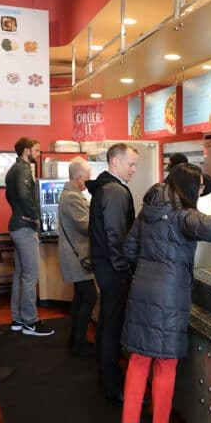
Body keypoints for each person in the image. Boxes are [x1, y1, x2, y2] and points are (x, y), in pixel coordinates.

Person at [120, 163, 211, 423]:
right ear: (190, 187)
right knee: (165, 363)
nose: (202, 191)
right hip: (169, 293)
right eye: (201, 187)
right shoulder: (184, 214)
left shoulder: (149, 208)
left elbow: (129, 249)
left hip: (141, 287)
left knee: (139, 358)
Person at [87, 143, 139, 403]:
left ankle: (107, 378)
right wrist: (123, 270)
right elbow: (116, 236)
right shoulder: (115, 191)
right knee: (111, 326)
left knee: (107, 323)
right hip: (113, 270)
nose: (134, 169)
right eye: (131, 164)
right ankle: (112, 383)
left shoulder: (104, 188)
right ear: (115, 162)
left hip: (104, 267)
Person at [5, 137, 54, 336]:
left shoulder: (12, 169)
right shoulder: (24, 169)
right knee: (30, 276)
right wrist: (35, 217)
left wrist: (19, 211)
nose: (39, 153)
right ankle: (30, 322)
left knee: (20, 275)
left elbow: (10, 196)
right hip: (24, 227)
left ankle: (17, 319)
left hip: (16, 224)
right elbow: (24, 195)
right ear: (26, 150)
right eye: (36, 149)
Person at [57, 157, 96, 356]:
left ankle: (76, 338)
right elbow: (85, 225)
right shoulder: (72, 197)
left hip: (74, 255)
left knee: (81, 297)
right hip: (76, 256)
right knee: (89, 296)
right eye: (87, 178)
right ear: (79, 178)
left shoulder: (69, 194)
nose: (88, 182)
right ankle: (78, 341)